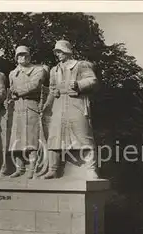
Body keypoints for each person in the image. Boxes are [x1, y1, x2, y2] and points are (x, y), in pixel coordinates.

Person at [41, 40, 99, 180]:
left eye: (60, 51)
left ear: (67, 51)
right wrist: (46, 105)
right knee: (54, 137)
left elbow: (92, 80)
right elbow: (52, 89)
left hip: (76, 103)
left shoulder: (80, 65)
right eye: (56, 52)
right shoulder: (54, 70)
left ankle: (91, 169)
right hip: (59, 105)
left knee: (83, 135)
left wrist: (79, 84)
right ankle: (53, 169)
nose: (58, 54)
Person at [8, 45, 48, 178]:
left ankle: (32, 167)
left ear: (29, 56)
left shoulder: (38, 70)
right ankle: (19, 168)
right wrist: (12, 95)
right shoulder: (13, 73)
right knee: (17, 139)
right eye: (19, 55)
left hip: (31, 105)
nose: (22, 57)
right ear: (16, 57)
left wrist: (17, 91)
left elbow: (34, 84)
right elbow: (11, 89)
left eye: (25, 55)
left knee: (31, 138)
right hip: (17, 107)